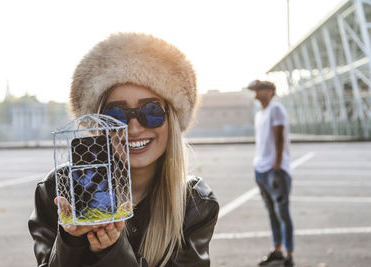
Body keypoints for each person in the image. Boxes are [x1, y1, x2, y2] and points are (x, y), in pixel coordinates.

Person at [28, 32, 219, 267]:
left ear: (172, 120)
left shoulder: (196, 204)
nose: (134, 128)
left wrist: (114, 252)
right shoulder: (58, 190)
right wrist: (70, 240)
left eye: (151, 112)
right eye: (116, 115)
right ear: (99, 123)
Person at [247, 80, 294, 267]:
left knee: (283, 213)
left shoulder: (276, 109)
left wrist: (276, 166)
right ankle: (277, 250)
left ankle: (289, 254)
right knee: (271, 213)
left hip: (275, 171)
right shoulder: (260, 114)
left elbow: (279, 137)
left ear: (270, 91)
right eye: (255, 89)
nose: (255, 92)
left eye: (259, 89)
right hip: (260, 169)